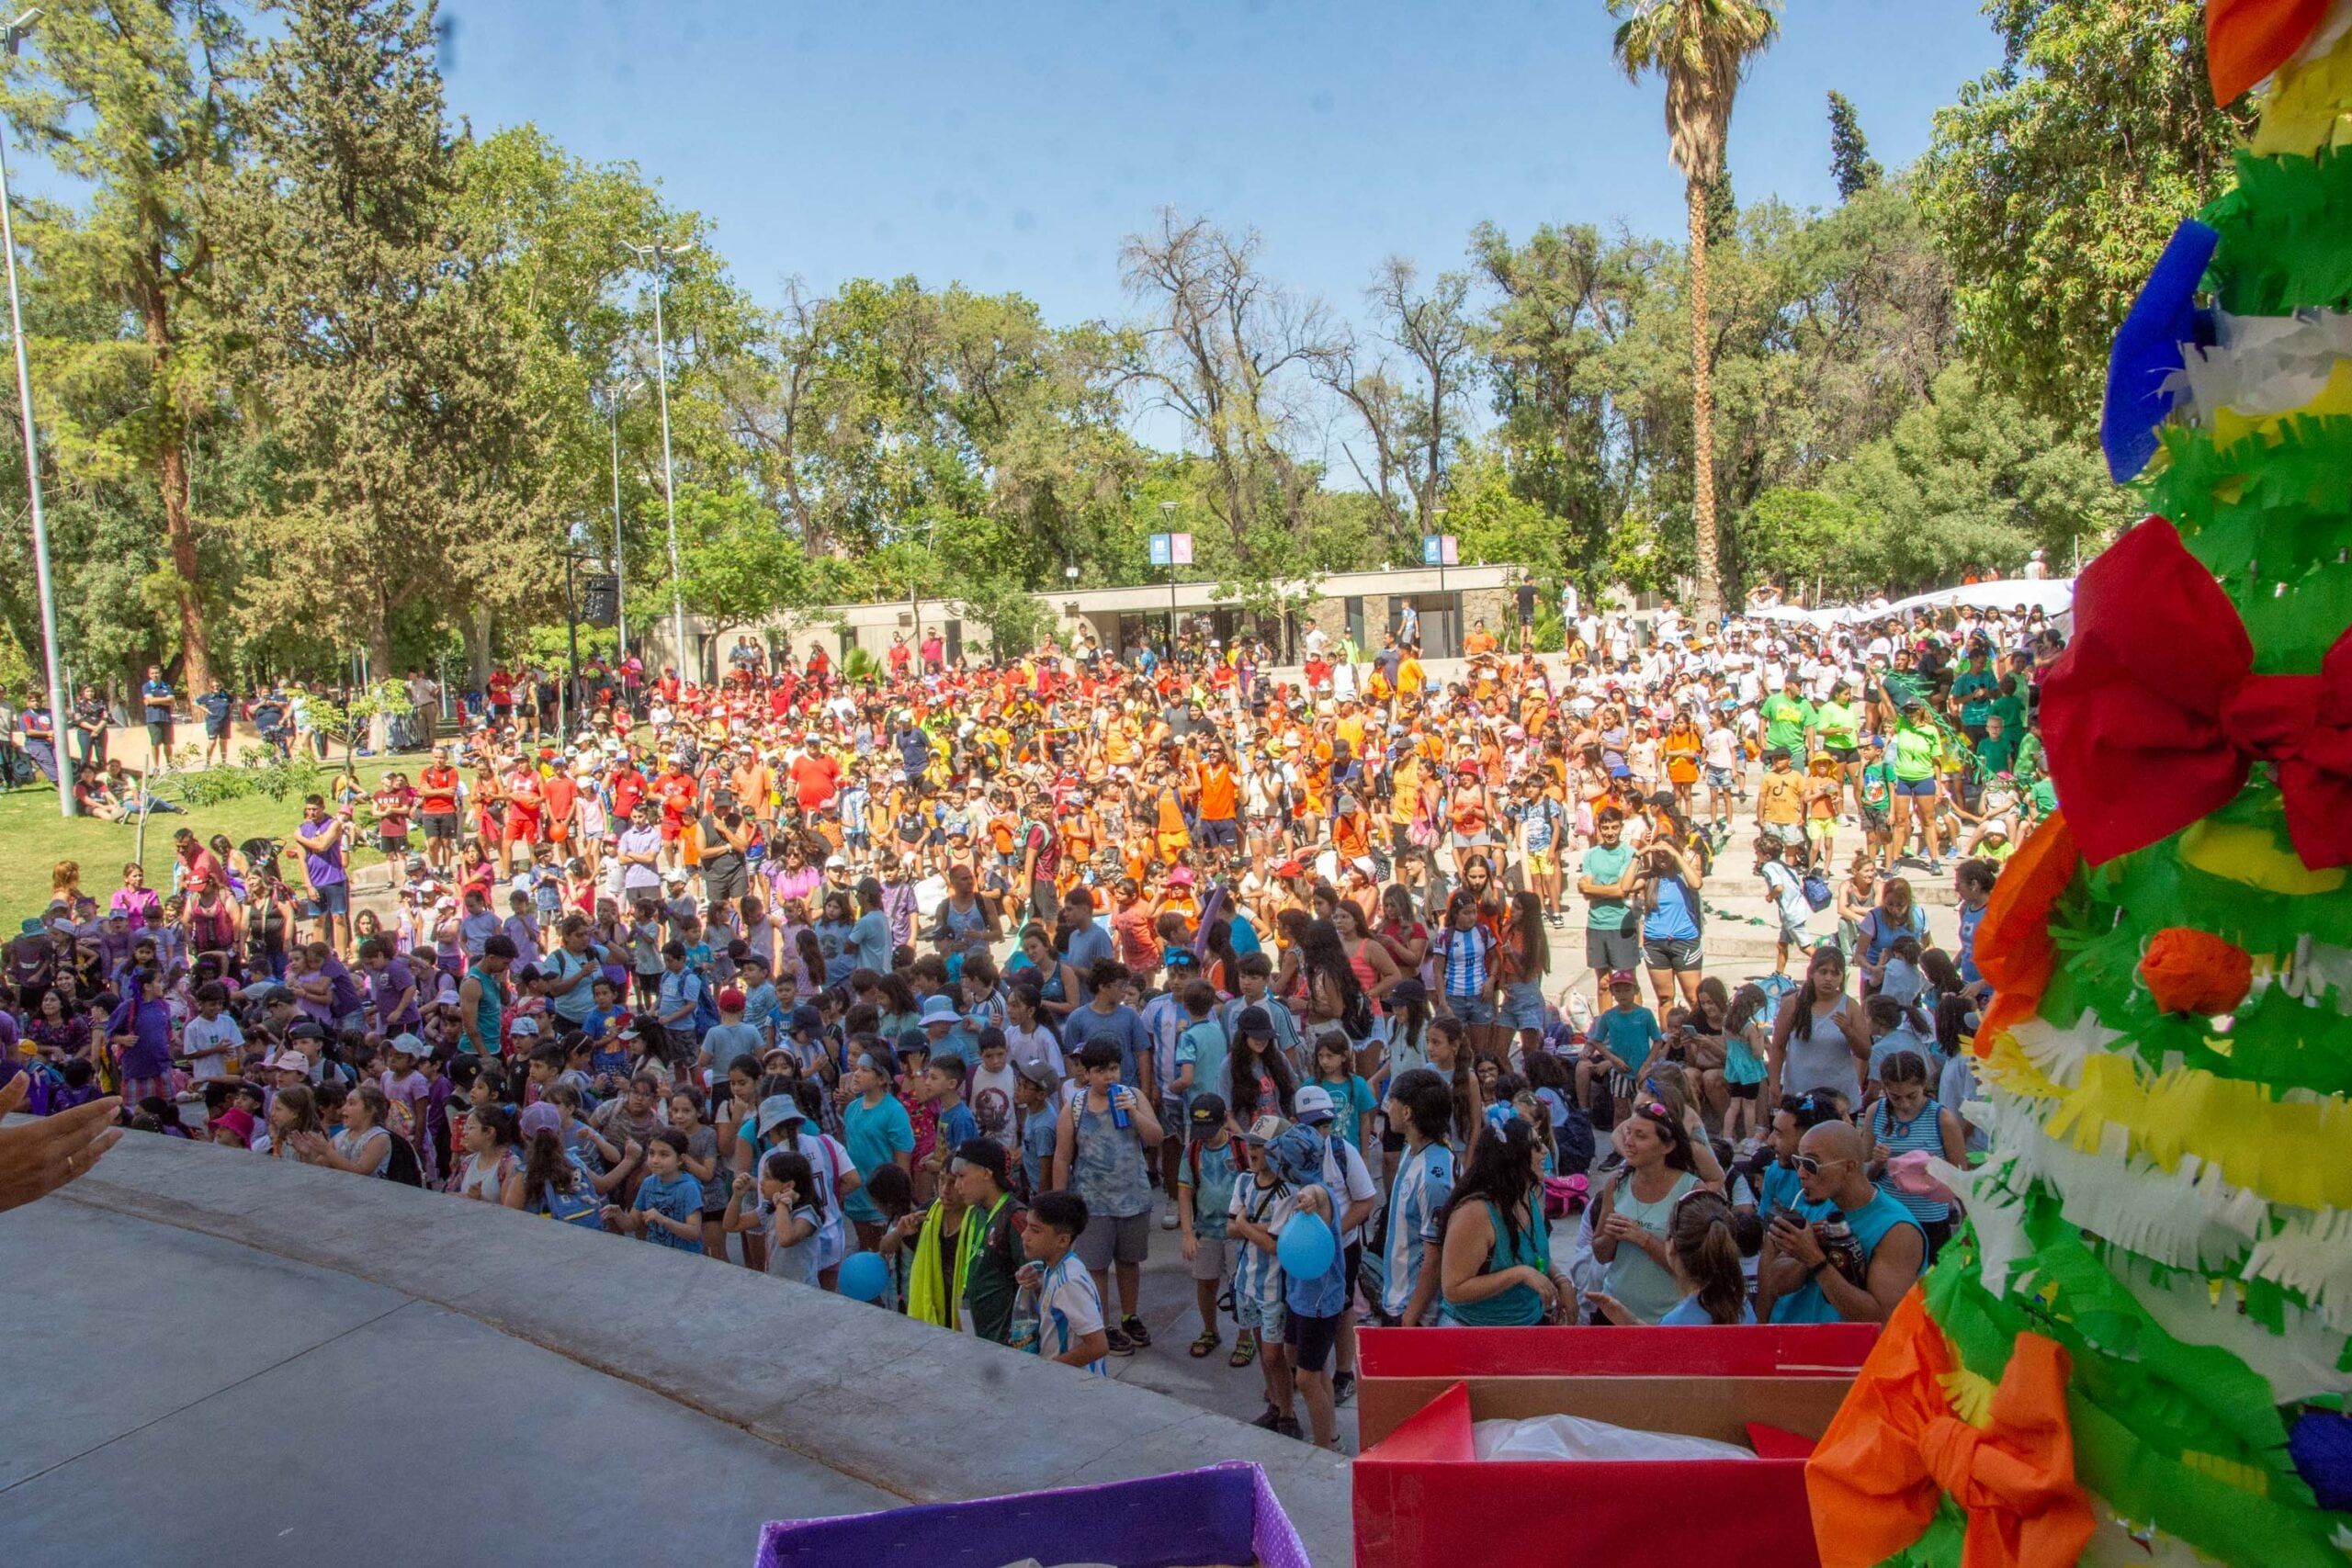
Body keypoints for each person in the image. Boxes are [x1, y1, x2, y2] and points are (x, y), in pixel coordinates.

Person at [1051, 1038, 1160, 1353]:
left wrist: (1135, 1114)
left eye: (1113, 1069)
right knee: (1096, 1266)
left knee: (1129, 1262)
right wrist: (1061, 1205)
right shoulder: (1075, 1106)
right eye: (1100, 1071)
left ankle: (1130, 1316)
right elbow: (1062, 1156)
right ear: (1086, 1074)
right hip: (1093, 1202)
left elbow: (1155, 1138)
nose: (1109, 1077)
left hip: (1133, 1198)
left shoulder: (1133, 1096)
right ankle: (1104, 1324)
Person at [1759, 1120, 1925, 1325]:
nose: (1801, 1173)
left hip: (1847, 1353)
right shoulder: (1814, 1205)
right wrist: (1804, 1255)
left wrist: (1815, 1260)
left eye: (1811, 1164)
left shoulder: (1897, 1230)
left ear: (1849, 1167)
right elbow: (1775, 1285)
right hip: (1792, 1347)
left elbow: (1882, 1320)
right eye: (1798, 1162)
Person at [1435, 1114, 1568, 1325]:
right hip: (1475, 1332)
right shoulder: (1475, 1214)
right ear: (1513, 1157)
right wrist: (1519, 1274)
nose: (1544, 1151)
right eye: (1535, 1146)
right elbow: (1453, 1289)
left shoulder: (1532, 1194)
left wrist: (1561, 1280)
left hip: (1529, 1323)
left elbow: (1531, 1252)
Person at [1587, 1100, 1708, 1324]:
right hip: (1614, 1312)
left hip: (1667, 1320)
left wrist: (1644, 1240)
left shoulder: (1691, 1190)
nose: (1628, 1142)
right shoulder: (1617, 1183)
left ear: (1668, 1146)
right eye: (1628, 1133)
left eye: (1641, 1136)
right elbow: (1601, 1254)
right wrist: (1611, 1236)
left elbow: (1696, 1271)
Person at [1584, 1188, 1754, 1325]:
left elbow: (1664, 1350)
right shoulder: (1742, 1306)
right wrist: (1632, 1322)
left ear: (1671, 1247)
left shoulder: (1678, 1321)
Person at [1378, 1067, 1455, 1326]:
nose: (1387, 1107)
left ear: (1407, 1112)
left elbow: (1434, 1259)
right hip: (1397, 1299)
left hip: (1417, 1313)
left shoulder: (1434, 1179)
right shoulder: (1411, 1151)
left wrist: (1409, 1318)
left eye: (1391, 1101)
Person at [1015, 1190, 1110, 1374]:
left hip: (1075, 1389)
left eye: (1035, 1230)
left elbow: (1098, 1346)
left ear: (1063, 1240)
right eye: (1027, 1226)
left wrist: (1048, 1371)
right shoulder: (1056, 1266)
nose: (1024, 1235)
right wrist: (1037, 1286)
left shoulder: (1070, 1283)